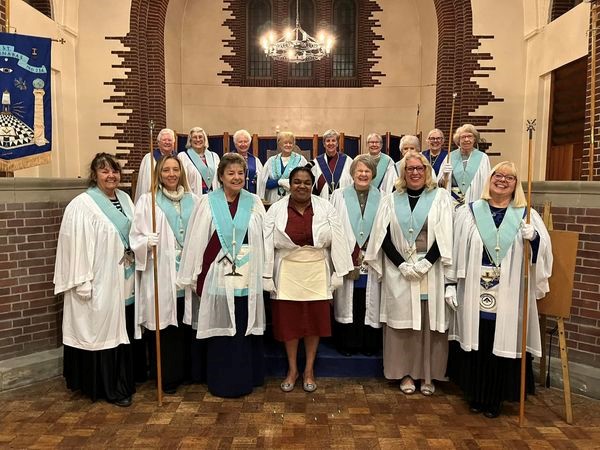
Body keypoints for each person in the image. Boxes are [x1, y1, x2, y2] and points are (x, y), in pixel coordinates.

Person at [446, 161, 553, 418]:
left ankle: (495, 398)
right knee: (479, 339)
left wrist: (535, 240)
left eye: (510, 177)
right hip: (473, 286)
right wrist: (450, 283)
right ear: (489, 178)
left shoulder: (526, 215)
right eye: (498, 175)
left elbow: (545, 256)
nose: (502, 180)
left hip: (508, 291)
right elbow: (455, 248)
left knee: (500, 340)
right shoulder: (469, 212)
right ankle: (476, 395)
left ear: (516, 185)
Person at [177, 152, 266, 398]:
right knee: (220, 327)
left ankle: (245, 378)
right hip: (217, 273)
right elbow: (196, 239)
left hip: (247, 273)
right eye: (231, 173)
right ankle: (220, 380)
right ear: (221, 176)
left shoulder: (254, 201)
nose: (236, 177)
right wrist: (195, 273)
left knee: (242, 326)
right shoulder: (207, 202)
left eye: (240, 173)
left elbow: (264, 237)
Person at [364, 152, 453, 396]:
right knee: (402, 324)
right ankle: (404, 373)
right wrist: (402, 264)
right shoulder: (391, 200)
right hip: (400, 270)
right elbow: (382, 237)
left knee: (427, 322)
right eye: (410, 169)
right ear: (403, 173)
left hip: (429, 269)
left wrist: (427, 263)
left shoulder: (441, 198)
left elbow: (446, 234)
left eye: (419, 168)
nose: (415, 173)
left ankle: (427, 373)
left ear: (427, 171)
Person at [54, 153, 137, 407]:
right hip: (97, 280)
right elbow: (75, 244)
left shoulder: (124, 198)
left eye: (114, 171)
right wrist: (82, 281)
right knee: (101, 331)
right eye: (104, 171)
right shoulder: (82, 205)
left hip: (123, 276)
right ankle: (106, 387)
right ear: (94, 175)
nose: (110, 175)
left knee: (119, 328)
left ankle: (123, 381)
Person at [264, 166, 353, 393]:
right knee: (289, 323)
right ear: (289, 184)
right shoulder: (275, 209)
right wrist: (265, 275)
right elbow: (265, 242)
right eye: (296, 181)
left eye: (306, 182)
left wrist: (339, 272)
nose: (301, 186)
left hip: (316, 270)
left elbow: (339, 239)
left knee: (314, 322)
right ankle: (293, 369)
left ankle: (309, 370)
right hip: (287, 271)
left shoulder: (326, 207)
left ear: (312, 185)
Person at [130, 155, 202, 394]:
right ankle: (168, 375)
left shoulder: (195, 200)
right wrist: (144, 242)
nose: (171, 174)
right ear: (158, 175)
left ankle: (190, 372)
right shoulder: (147, 201)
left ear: (181, 173)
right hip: (162, 268)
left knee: (186, 322)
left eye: (175, 170)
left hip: (189, 271)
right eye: (166, 171)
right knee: (166, 325)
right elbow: (135, 235)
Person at [330, 155, 383, 356]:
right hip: (347, 255)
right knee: (347, 300)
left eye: (367, 171)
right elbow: (333, 226)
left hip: (371, 257)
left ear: (373, 174)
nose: (363, 174)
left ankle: (369, 344)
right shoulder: (339, 195)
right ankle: (347, 343)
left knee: (370, 300)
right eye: (359, 170)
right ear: (352, 173)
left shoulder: (383, 197)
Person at [438, 124, 491, 207]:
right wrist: (444, 176)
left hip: (474, 200)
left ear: (474, 139)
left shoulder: (483, 158)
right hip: (452, 202)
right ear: (458, 140)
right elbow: (440, 185)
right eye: (463, 137)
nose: (466, 139)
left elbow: (486, 183)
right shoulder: (450, 157)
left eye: (469, 136)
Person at [257, 131, 308, 203]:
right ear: (280, 144)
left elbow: (306, 180)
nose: (288, 145)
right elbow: (264, 183)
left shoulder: (301, 160)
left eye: (290, 143)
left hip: (294, 199)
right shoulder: (271, 161)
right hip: (273, 199)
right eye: (285, 143)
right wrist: (279, 182)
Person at [135, 128, 176, 203]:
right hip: (155, 198)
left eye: (170, 140)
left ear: (173, 143)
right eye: (164, 140)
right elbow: (146, 183)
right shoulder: (149, 158)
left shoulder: (178, 158)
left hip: (174, 197)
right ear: (158, 143)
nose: (167, 142)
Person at [310, 129, 353, 200]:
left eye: (333, 140)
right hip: (323, 200)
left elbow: (352, 182)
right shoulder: (316, 162)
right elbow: (313, 185)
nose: (330, 143)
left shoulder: (347, 160)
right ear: (324, 144)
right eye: (328, 141)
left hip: (343, 200)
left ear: (337, 143)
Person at [178, 126, 220, 195]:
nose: (198, 140)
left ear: (204, 139)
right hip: (194, 197)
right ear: (190, 140)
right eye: (195, 137)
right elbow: (182, 181)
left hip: (213, 196)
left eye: (200, 137)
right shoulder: (183, 157)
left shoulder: (214, 156)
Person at [232, 129, 263, 195]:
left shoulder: (255, 160)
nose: (243, 144)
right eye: (240, 142)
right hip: (233, 194)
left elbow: (261, 180)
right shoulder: (229, 158)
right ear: (235, 144)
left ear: (249, 143)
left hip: (251, 195)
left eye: (246, 142)